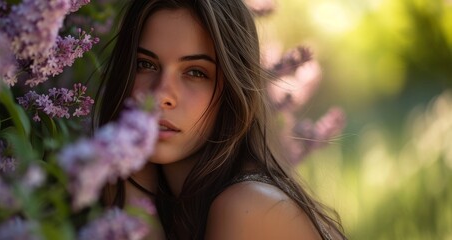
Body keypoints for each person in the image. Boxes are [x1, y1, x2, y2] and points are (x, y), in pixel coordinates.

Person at [94, 0, 347, 239]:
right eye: (145, 64)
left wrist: (133, 205)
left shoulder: (247, 206)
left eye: (195, 72)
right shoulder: (178, 204)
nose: (161, 95)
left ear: (233, 92)